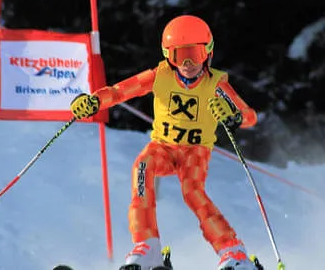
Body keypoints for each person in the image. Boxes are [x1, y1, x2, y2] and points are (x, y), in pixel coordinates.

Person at [70, 15, 258, 270]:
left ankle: (232, 252)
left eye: (195, 53)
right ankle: (147, 246)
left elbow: (249, 116)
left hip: (195, 150)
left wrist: (234, 116)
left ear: (208, 52)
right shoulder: (159, 75)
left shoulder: (216, 84)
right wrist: (94, 101)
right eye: (180, 56)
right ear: (168, 56)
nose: (189, 63)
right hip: (163, 148)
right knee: (142, 168)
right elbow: (120, 91)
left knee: (193, 192)